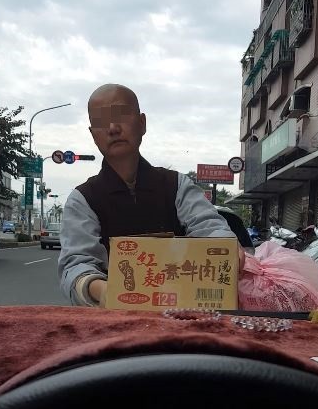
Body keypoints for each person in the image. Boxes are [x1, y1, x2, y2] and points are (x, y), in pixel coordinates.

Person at [58, 84, 243, 306]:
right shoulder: (83, 199)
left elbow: (210, 227)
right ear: (93, 135)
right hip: (113, 325)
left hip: (182, 320)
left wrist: (227, 250)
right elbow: (75, 265)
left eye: (121, 115)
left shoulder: (177, 185)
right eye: (101, 121)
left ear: (142, 123)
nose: (113, 128)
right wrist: (103, 291)